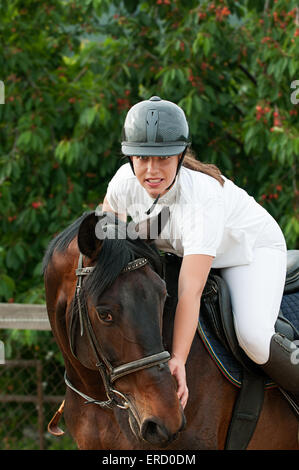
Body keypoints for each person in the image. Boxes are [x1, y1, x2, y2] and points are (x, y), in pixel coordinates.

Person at [102, 96, 299, 409]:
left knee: (254, 339)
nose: (151, 170)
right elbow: (106, 251)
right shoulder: (123, 183)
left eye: (163, 158)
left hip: (248, 252)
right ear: (130, 158)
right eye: (141, 158)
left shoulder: (201, 199)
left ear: (180, 155)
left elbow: (189, 292)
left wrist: (178, 359)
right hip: (186, 250)